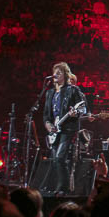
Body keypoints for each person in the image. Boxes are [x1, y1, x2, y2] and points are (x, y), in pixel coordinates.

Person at [43, 62, 87, 195]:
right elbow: (46, 115)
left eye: (59, 72)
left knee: (60, 158)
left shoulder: (72, 90)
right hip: (55, 131)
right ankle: (62, 187)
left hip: (68, 129)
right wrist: (49, 126)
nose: (55, 74)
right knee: (55, 159)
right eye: (54, 72)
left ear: (65, 75)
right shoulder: (49, 93)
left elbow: (83, 108)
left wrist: (76, 113)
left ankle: (64, 188)